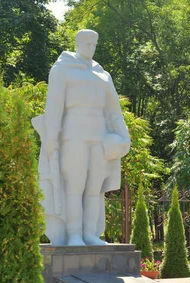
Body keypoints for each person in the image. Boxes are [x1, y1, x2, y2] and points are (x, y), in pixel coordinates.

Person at [33, 29, 130, 246]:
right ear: (77, 43)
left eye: (94, 43)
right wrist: (50, 137)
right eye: (87, 43)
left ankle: (90, 234)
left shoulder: (103, 74)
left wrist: (124, 136)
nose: (91, 47)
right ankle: (74, 234)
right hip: (72, 134)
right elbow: (55, 105)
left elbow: (114, 111)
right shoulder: (62, 69)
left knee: (94, 187)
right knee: (74, 186)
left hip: (100, 136)